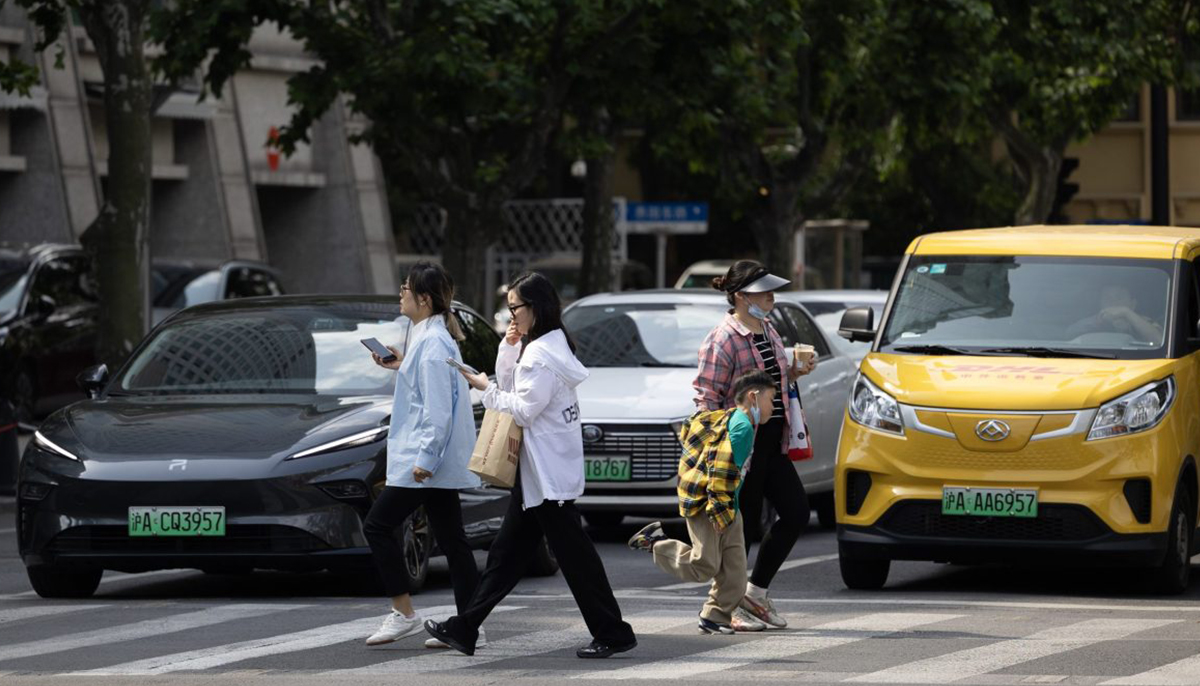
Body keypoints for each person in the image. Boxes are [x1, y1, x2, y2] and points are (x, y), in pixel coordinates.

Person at [425, 272, 637, 659]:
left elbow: (521, 409)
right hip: (541, 475)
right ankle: (466, 627)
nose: (511, 318)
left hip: (547, 478)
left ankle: (614, 631)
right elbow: (515, 386)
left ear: (535, 307)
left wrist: (483, 388)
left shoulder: (540, 355)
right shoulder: (549, 345)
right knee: (505, 559)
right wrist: (507, 351)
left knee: (576, 563)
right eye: (508, 311)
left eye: (515, 309)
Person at [362, 262, 482, 647]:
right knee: (453, 541)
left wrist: (424, 462)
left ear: (424, 299)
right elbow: (429, 390)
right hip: (433, 460)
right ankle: (469, 624)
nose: (400, 293)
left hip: (425, 460)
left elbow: (437, 413)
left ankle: (404, 614)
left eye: (406, 288)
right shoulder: (426, 336)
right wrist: (401, 365)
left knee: (378, 526)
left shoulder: (431, 344)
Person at [693, 259, 816, 630]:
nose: (772, 298)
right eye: (765, 292)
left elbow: (770, 379)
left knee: (795, 512)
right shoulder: (724, 337)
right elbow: (706, 394)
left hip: (773, 440)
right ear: (743, 296)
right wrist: (717, 445)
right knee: (739, 529)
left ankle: (755, 592)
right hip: (741, 442)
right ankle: (725, 607)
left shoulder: (767, 330)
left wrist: (794, 370)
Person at [628, 370, 778, 634]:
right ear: (754, 397)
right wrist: (719, 514)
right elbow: (718, 473)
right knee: (705, 564)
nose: (772, 407)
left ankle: (714, 617)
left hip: (728, 503)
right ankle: (655, 542)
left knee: (734, 571)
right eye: (771, 399)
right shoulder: (742, 427)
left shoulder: (735, 418)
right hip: (708, 505)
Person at [1065, 284, 1162, 342]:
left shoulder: (1144, 322)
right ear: (1100, 303)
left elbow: (1158, 340)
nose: (1113, 302)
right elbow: (1068, 335)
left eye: (1119, 297)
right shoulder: (1093, 322)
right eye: (1107, 298)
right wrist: (1099, 321)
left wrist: (1126, 313)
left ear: (1132, 304)